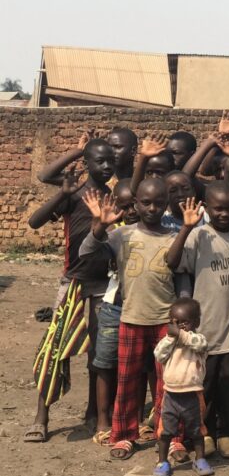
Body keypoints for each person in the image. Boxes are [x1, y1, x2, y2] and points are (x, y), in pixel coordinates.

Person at [78, 178, 179, 461]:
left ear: (166, 204)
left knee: (167, 382)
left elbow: (182, 276)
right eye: (145, 202)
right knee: (127, 381)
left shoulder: (174, 236)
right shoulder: (122, 236)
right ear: (135, 204)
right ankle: (123, 435)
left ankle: (170, 436)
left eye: (159, 203)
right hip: (131, 318)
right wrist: (99, 225)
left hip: (164, 320)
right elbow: (86, 253)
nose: (152, 208)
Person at [26, 137, 115, 443]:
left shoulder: (112, 196)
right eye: (99, 160)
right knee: (55, 347)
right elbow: (35, 221)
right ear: (87, 163)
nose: (106, 165)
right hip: (73, 281)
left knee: (99, 352)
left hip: (104, 284)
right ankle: (42, 416)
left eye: (110, 160)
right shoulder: (74, 193)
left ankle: (94, 412)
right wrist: (62, 192)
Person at [166, 182, 229, 459]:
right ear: (207, 208)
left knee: (228, 385)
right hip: (205, 328)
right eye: (218, 209)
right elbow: (172, 262)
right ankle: (204, 432)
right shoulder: (199, 235)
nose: (224, 214)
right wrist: (186, 227)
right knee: (203, 386)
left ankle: (227, 433)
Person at [83, 180, 140, 445]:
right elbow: (87, 252)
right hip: (114, 306)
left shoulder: (154, 230)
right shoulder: (115, 234)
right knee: (105, 364)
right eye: (124, 206)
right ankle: (104, 419)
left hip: (144, 307)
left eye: (133, 205)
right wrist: (101, 224)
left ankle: (135, 419)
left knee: (140, 367)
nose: (130, 211)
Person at [153, 298, 214, 476]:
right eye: (175, 322)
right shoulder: (169, 341)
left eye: (184, 322)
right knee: (166, 432)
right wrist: (172, 337)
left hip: (192, 395)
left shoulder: (197, 340)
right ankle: (162, 461)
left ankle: (200, 459)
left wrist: (181, 335)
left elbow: (201, 345)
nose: (179, 326)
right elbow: (159, 354)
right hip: (171, 395)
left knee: (196, 430)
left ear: (196, 322)